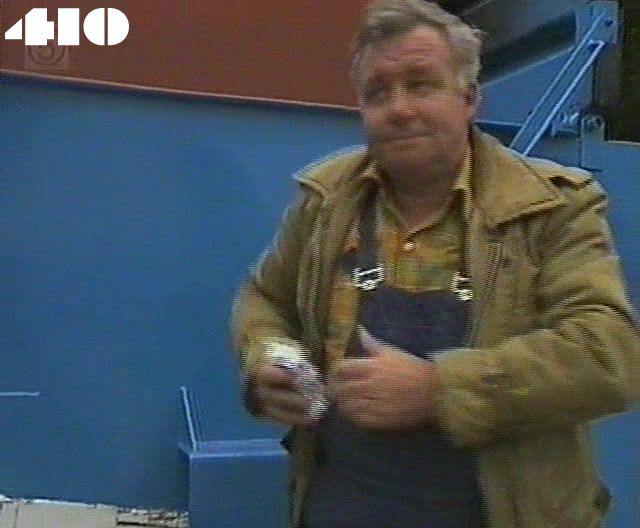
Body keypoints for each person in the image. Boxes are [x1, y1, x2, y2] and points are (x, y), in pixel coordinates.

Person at [230, 0, 640, 526]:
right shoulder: (325, 199)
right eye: (378, 92)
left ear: (469, 99)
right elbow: (264, 297)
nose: (399, 109)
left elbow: (606, 354)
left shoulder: (553, 207)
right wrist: (271, 356)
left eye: (421, 85)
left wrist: (436, 390)